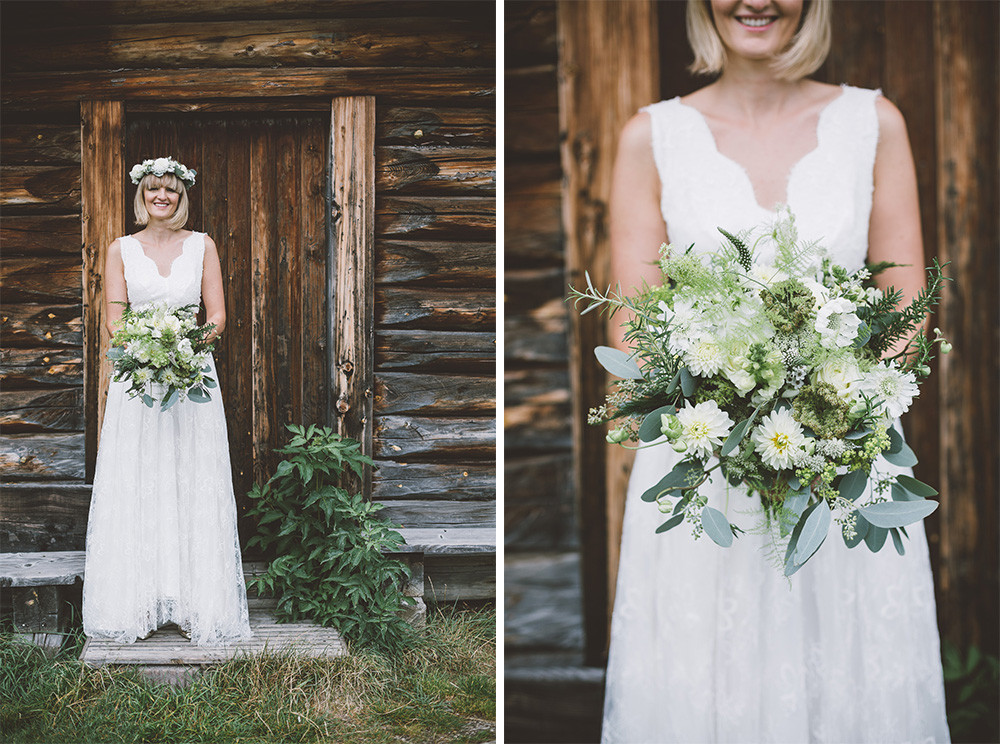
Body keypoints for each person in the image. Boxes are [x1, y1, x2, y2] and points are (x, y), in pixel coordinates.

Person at [601, 1, 950, 741]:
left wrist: (828, 411)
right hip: (706, 470)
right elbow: (629, 320)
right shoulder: (650, 138)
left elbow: (907, 308)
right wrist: (725, 399)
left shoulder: (873, 126)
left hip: (840, 465)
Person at [83, 157, 251, 646]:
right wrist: (144, 352)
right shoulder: (120, 249)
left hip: (190, 375)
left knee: (191, 475)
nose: (162, 197)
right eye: (154, 189)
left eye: (171, 191)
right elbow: (114, 316)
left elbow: (216, 315)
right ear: (142, 196)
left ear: (181, 198)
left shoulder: (203, 246)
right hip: (138, 380)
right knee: (140, 478)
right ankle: (137, 602)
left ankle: (195, 603)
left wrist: (184, 349)